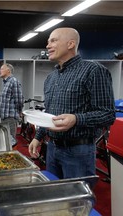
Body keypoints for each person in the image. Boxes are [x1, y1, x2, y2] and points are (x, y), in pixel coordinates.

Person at [28, 27, 116, 179]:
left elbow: (108, 114)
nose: (47, 45)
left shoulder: (94, 71)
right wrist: (38, 137)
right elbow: (49, 113)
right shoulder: (51, 78)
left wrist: (76, 119)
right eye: (48, 41)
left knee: (77, 201)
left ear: (70, 44)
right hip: (52, 148)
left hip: (78, 151)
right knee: (56, 196)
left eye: (53, 40)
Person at [0, 63, 24, 149]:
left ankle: (12, 159)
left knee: (11, 141)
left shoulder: (13, 81)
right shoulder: (6, 83)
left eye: (1, 69)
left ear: (8, 70)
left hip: (10, 117)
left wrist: (19, 112)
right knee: (5, 139)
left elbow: (19, 100)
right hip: (4, 117)